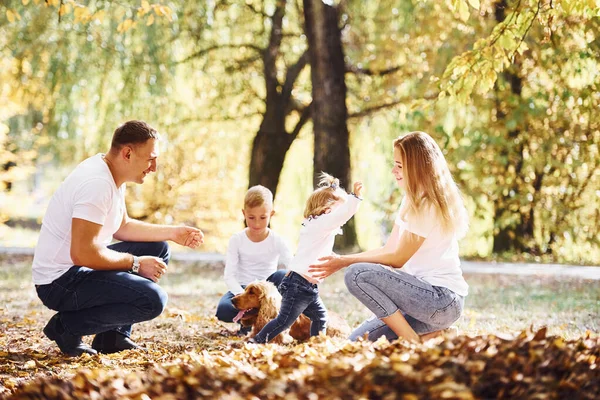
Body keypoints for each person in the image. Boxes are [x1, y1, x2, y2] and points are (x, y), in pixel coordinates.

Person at [32, 120, 204, 356]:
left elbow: (122, 226)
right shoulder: (97, 184)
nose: (154, 167)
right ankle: (66, 327)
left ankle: (112, 338)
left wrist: (173, 232)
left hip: (77, 269)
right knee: (152, 301)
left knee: (157, 247)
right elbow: (82, 253)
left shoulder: (111, 173)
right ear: (127, 153)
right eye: (150, 158)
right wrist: (135, 263)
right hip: (59, 283)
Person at [309, 131, 469, 343]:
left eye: (400, 165)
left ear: (418, 166)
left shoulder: (427, 205)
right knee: (357, 341)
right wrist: (342, 260)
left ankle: (411, 340)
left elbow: (397, 259)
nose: (394, 171)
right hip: (419, 303)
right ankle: (435, 336)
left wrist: (344, 261)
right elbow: (389, 249)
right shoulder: (410, 200)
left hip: (440, 302)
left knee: (356, 274)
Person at [252, 173, 362, 343]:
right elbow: (344, 214)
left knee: (320, 317)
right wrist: (355, 198)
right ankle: (258, 340)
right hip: (298, 286)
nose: (340, 218)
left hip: (308, 287)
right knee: (284, 321)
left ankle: (318, 345)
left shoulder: (316, 225)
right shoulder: (320, 224)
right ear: (327, 210)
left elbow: (315, 249)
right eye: (339, 209)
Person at [216, 185, 293, 334]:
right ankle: (249, 323)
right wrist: (245, 298)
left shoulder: (277, 240)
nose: (257, 224)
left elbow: (293, 266)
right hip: (242, 288)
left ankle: (273, 322)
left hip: (268, 290)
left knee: (284, 274)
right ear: (244, 214)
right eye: (251, 217)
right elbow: (229, 276)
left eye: (263, 217)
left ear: (272, 214)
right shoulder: (237, 239)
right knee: (224, 310)